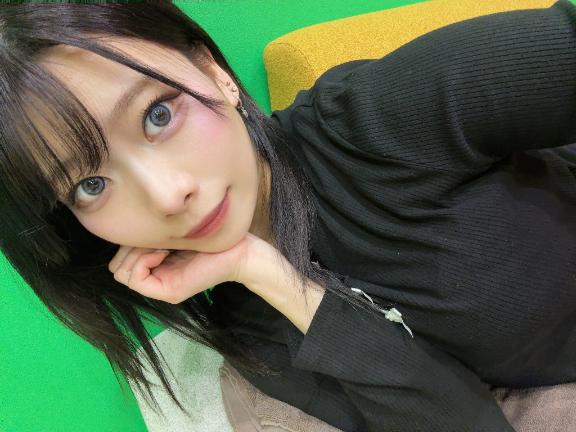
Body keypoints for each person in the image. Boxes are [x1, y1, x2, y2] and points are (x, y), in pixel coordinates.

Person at [1, 0, 576, 430]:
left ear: (214, 72)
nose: (168, 195)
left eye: (158, 114)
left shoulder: (378, 120)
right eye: (90, 185)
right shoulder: (252, 325)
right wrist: (273, 277)